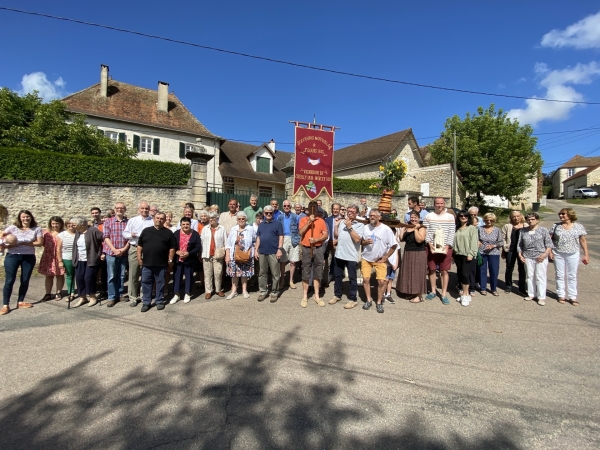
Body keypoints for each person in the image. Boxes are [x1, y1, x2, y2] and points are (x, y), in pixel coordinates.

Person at [1, 210, 44, 315]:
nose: (25, 219)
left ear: (31, 217)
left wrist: (24, 243)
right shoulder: (13, 228)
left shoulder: (36, 229)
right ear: (20, 218)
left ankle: (20, 301)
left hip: (28, 256)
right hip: (13, 256)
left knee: (25, 280)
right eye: (23, 217)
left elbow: (39, 243)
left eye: (27, 216)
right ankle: (5, 305)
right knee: (9, 280)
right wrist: (6, 243)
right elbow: (2, 235)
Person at [137, 212, 177, 312]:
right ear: (154, 218)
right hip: (147, 263)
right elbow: (140, 245)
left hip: (161, 263)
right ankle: (146, 302)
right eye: (157, 218)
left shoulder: (168, 233)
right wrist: (139, 258)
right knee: (146, 282)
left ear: (164, 220)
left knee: (160, 283)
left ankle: (159, 301)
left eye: (162, 219)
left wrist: (170, 260)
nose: (159, 220)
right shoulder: (146, 231)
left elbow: (172, 248)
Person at [360, 209, 397, 313]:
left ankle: (379, 302)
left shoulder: (386, 229)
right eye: (370, 215)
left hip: (380, 259)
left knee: (381, 281)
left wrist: (385, 257)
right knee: (366, 279)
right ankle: (368, 300)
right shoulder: (365, 228)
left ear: (379, 217)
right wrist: (365, 242)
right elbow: (361, 242)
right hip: (366, 258)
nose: (371, 217)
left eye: (374, 216)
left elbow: (394, 245)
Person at [550, 208, 588, 306]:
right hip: (558, 253)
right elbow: (550, 240)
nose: (561, 216)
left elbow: (583, 241)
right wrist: (550, 251)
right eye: (560, 214)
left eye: (563, 214)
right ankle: (561, 295)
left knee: (572, 275)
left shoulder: (578, 226)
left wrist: (586, 254)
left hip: (573, 254)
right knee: (559, 274)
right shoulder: (555, 226)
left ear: (570, 215)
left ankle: (572, 297)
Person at [331, 204, 364, 309]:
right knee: (338, 276)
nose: (349, 213)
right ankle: (337, 295)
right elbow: (337, 235)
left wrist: (350, 227)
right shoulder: (342, 222)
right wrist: (336, 226)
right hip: (340, 253)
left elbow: (357, 239)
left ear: (357, 213)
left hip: (351, 255)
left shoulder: (360, 225)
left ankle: (353, 299)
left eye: (352, 212)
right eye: (348, 211)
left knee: (352, 277)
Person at [424, 197, 456, 304]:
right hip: (432, 247)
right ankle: (433, 291)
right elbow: (426, 231)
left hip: (445, 247)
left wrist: (448, 245)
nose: (439, 205)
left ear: (444, 204)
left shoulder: (450, 216)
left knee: (444, 270)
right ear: (434, 204)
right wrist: (429, 243)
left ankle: (443, 293)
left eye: (441, 203)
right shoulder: (428, 216)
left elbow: (452, 232)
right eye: (437, 203)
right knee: (432, 269)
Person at [517, 212, 553, 306]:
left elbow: (549, 244)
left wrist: (545, 254)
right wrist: (520, 255)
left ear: (537, 220)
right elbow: (519, 244)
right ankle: (531, 294)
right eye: (528, 219)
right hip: (527, 256)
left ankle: (541, 297)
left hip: (540, 256)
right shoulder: (523, 231)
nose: (530, 221)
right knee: (530, 276)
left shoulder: (543, 230)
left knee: (540, 276)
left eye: (533, 219)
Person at [122, 201, 154, 307]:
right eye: (142, 208)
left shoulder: (152, 221)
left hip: (148, 250)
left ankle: (144, 295)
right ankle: (133, 297)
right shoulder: (133, 220)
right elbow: (125, 233)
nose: (144, 210)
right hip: (134, 248)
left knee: (146, 274)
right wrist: (131, 235)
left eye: (146, 209)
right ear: (138, 209)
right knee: (133, 273)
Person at [298, 203, 328, 307]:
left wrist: (316, 239)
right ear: (308, 209)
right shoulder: (303, 220)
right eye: (311, 208)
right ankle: (305, 296)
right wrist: (309, 222)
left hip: (318, 249)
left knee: (318, 272)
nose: (312, 210)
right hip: (306, 249)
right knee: (306, 271)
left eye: (314, 208)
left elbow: (325, 235)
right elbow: (301, 232)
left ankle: (316, 296)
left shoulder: (321, 221)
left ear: (316, 210)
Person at [72, 217, 105, 308]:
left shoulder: (93, 231)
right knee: (79, 278)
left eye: (74, 225)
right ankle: (82, 297)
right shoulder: (78, 232)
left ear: (82, 225)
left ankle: (92, 297)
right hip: (80, 259)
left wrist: (103, 253)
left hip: (92, 259)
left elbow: (104, 240)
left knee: (88, 278)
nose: (73, 226)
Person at [255, 205, 284, 302]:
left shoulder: (277, 223)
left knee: (275, 274)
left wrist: (279, 249)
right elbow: (258, 238)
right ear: (264, 213)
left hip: (273, 252)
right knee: (262, 273)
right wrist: (256, 250)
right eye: (266, 213)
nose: (268, 214)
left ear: (273, 213)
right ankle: (263, 292)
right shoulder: (261, 225)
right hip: (262, 252)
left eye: (270, 213)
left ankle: (274, 293)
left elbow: (281, 236)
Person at [397, 210, 427, 303]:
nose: (413, 219)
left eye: (415, 217)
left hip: (418, 253)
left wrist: (415, 229)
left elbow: (419, 240)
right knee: (409, 273)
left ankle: (419, 295)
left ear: (419, 218)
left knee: (417, 274)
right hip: (408, 252)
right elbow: (401, 239)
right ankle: (411, 292)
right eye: (412, 217)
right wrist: (403, 229)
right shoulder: (407, 227)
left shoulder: (422, 227)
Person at [103, 202, 129, 307]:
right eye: (118, 208)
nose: (120, 210)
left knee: (122, 275)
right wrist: (114, 249)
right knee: (111, 276)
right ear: (115, 209)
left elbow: (130, 238)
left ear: (125, 209)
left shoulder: (128, 222)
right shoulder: (108, 222)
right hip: (111, 253)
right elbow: (106, 237)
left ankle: (120, 294)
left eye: (122, 208)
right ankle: (111, 297)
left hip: (123, 252)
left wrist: (123, 249)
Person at [170, 217, 201, 304]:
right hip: (178, 259)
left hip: (189, 259)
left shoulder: (195, 234)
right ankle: (176, 294)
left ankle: (187, 293)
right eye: (183, 224)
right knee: (177, 277)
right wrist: (177, 251)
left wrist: (189, 253)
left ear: (190, 225)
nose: (185, 226)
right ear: (180, 225)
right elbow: (172, 245)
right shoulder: (176, 233)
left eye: (187, 224)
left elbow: (198, 246)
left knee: (189, 277)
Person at [225, 212, 256, 299]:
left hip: (246, 255)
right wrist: (227, 255)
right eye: (239, 219)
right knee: (234, 273)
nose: (241, 220)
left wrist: (252, 252)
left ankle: (244, 290)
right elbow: (228, 243)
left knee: (244, 273)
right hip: (234, 255)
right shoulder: (233, 229)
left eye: (243, 219)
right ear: (237, 220)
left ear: (246, 219)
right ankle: (233, 291)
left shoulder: (250, 229)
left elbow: (254, 240)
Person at [453, 211, 479, 306]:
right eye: (461, 216)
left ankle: (464, 295)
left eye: (465, 216)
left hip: (468, 255)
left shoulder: (471, 228)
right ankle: (467, 294)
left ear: (468, 217)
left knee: (465, 274)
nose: (463, 217)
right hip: (458, 255)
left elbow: (474, 242)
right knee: (460, 274)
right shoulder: (457, 229)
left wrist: (471, 254)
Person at [38, 216, 66, 301]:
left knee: (60, 275)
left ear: (61, 224)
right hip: (49, 257)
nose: (55, 225)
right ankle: (48, 294)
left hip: (60, 256)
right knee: (49, 276)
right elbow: (42, 243)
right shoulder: (46, 233)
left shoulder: (64, 233)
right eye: (53, 223)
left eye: (57, 223)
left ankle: (58, 292)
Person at [200, 211, 227, 299]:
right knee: (208, 274)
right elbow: (202, 242)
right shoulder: (205, 229)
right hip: (207, 254)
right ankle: (208, 291)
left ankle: (218, 289)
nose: (211, 220)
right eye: (210, 218)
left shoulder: (222, 228)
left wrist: (226, 253)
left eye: (213, 218)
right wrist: (200, 253)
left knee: (218, 273)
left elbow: (225, 241)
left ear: (217, 219)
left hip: (218, 254)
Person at [501, 211, 528, 295]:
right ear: (511, 217)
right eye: (514, 216)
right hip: (510, 250)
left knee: (522, 269)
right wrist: (503, 250)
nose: (516, 218)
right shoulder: (507, 226)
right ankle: (508, 286)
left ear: (521, 217)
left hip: (522, 251)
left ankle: (522, 288)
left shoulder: (526, 226)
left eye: (517, 216)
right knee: (509, 268)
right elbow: (503, 238)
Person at [478, 213, 503, 296]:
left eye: (491, 220)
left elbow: (501, 242)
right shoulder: (479, 229)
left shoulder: (497, 230)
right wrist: (478, 242)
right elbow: (476, 238)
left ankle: (493, 288)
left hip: (494, 252)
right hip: (482, 252)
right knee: (482, 270)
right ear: (484, 220)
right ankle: (483, 288)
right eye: (487, 220)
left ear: (494, 221)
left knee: (494, 270)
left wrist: (493, 245)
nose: (489, 221)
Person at [278, 200, 300, 289]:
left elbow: (299, 229)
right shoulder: (279, 217)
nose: (287, 207)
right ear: (283, 207)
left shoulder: (295, 217)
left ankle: (291, 280)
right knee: (283, 261)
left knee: (293, 261)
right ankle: (282, 280)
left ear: (290, 207)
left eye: (288, 206)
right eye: (285, 206)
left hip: (293, 239)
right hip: (283, 239)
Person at [56, 219, 77, 302]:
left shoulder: (79, 233)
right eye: (69, 224)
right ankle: (71, 292)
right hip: (67, 257)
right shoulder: (62, 234)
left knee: (80, 275)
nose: (71, 225)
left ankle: (84, 292)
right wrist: (60, 261)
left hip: (79, 257)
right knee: (70, 275)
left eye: (73, 224)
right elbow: (58, 248)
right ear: (66, 225)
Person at [324, 203, 342, 285]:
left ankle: (338, 281)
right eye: (334, 209)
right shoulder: (327, 219)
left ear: (339, 210)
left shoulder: (343, 220)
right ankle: (327, 278)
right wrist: (330, 242)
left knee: (338, 263)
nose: (335, 210)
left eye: (337, 209)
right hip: (329, 244)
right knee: (328, 261)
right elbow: (326, 232)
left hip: (340, 244)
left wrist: (337, 241)